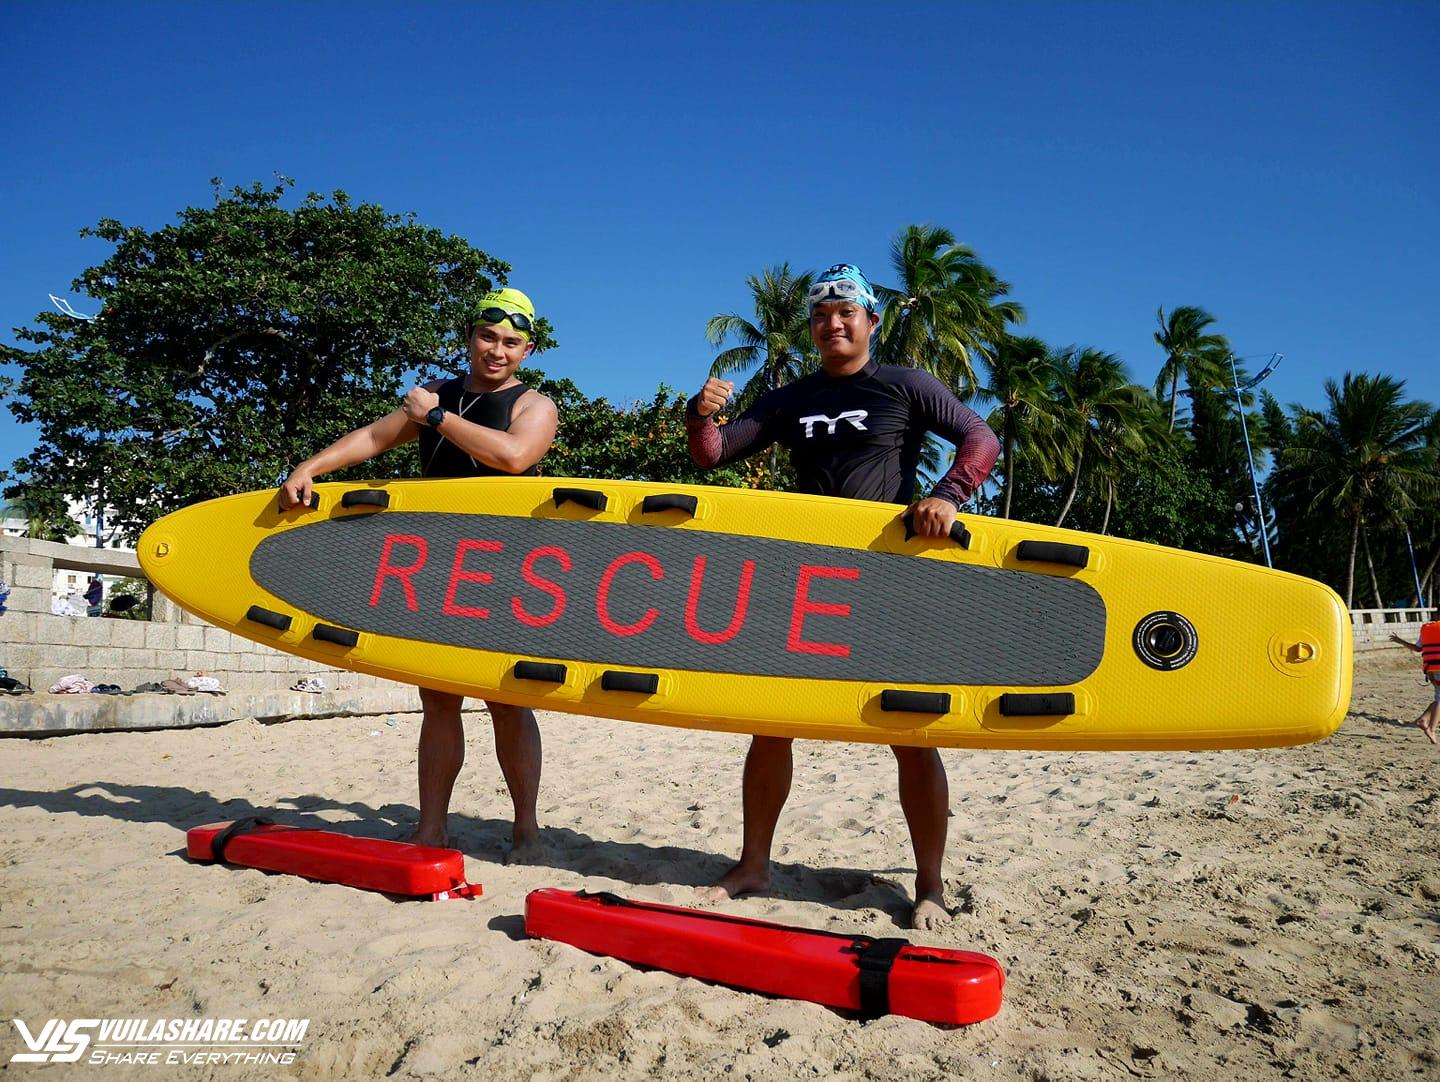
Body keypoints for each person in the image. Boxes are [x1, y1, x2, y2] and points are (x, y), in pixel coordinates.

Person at [686, 263, 1001, 930]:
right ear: (812, 327)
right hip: (808, 580)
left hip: (890, 579)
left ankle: (931, 884)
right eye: (822, 316)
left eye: (846, 313)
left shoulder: (905, 385)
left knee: (912, 733)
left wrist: (947, 496)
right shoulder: (789, 397)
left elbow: (982, 439)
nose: (833, 324)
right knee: (772, 724)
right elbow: (714, 455)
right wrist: (698, 416)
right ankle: (753, 864)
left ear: (870, 321)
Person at [279, 288, 559, 855]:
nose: (497, 351)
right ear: (469, 336)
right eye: (487, 337)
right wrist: (310, 465)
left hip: (506, 567)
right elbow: (374, 438)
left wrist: (434, 418)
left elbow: (512, 457)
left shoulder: (534, 405)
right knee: (438, 698)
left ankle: (526, 824)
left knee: (507, 699)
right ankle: (432, 826)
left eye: (511, 342)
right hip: (438, 565)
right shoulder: (440, 394)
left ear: (526, 349)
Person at [1389, 615, 1440, 744]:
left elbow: (1418, 648)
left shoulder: (1427, 628)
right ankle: (1431, 729)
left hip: (1430, 668)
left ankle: (1423, 719)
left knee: (1438, 697)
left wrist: (1399, 640)